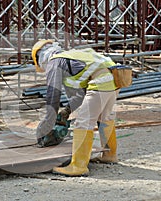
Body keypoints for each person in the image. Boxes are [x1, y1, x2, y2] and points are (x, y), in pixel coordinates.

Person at [31, 39, 119, 176]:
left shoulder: (55, 62)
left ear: (40, 59)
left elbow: (53, 96)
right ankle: (109, 155)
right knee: (105, 118)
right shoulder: (72, 57)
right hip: (114, 79)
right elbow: (80, 95)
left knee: (83, 123)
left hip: (100, 83)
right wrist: (66, 112)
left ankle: (78, 166)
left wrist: (46, 125)